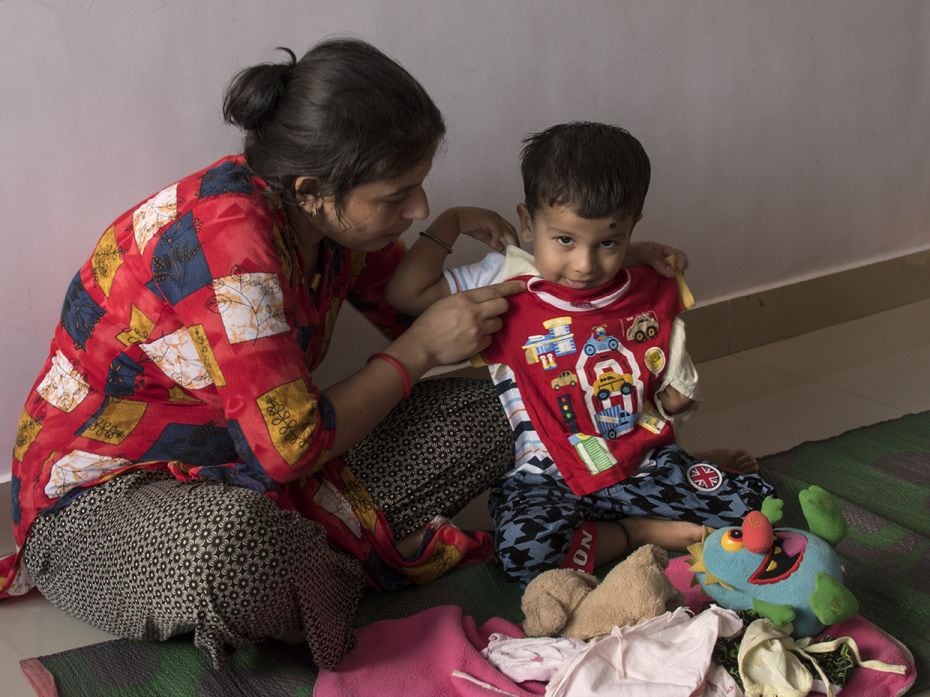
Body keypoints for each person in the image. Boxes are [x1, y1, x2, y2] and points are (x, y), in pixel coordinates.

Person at [1, 41, 685, 669]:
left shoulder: (327, 223)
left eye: (419, 187)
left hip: (258, 466)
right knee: (235, 552)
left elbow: (416, 309)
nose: (418, 207)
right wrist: (417, 351)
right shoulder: (227, 248)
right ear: (313, 192)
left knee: (507, 408)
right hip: (106, 503)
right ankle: (322, 555)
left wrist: (609, 274)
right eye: (396, 196)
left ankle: (320, 556)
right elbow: (295, 444)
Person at [387, 121, 775, 586]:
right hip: (545, 476)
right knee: (525, 556)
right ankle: (635, 532)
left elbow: (667, 380)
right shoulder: (506, 275)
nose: (585, 265)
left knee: (754, 509)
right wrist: (448, 222)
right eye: (565, 240)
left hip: (640, 463)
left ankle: (689, 467)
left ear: (632, 230)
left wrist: (677, 403)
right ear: (528, 223)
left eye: (608, 242)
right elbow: (405, 295)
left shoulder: (644, 283)